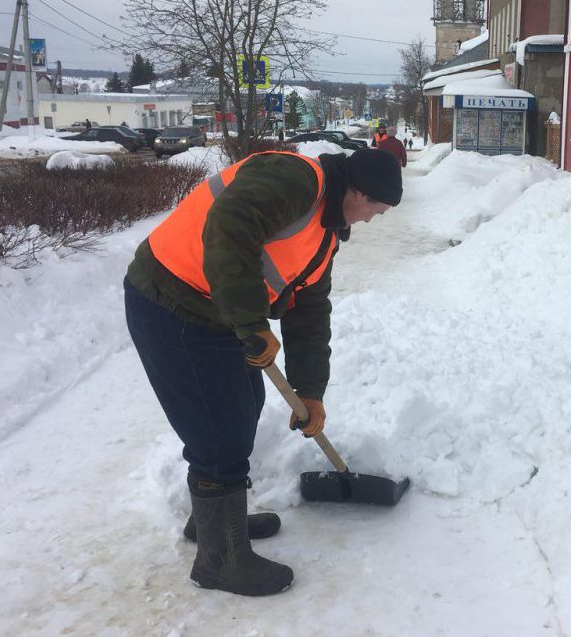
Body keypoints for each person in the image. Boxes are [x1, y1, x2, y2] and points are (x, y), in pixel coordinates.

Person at [123, 148, 403, 597]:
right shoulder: (295, 180)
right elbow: (230, 225)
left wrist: (310, 391)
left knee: (244, 404)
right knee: (220, 431)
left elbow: (309, 314)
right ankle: (219, 560)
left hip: (215, 312)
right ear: (357, 191)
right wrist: (252, 322)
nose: (373, 219)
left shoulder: (325, 235)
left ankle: (214, 523)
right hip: (169, 298)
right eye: (377, 209)